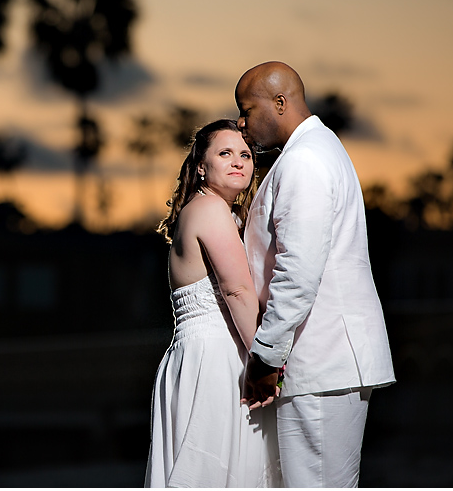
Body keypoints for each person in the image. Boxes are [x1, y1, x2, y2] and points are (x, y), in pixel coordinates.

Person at [235, 61, 396, 487]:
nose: (241, 121)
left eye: (247, 109)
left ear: (281, 103)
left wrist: (266, 355)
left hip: (322, 359)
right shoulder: (320, 148)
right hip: (327, 359)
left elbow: (298, 268)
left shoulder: (304, 161)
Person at [146, 119, 281, 488]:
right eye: (225, 153)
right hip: (214, 360)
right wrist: (267, 360)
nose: (238, 161)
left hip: (199, 355)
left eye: (246, 154)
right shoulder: (210, 210)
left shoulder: (207, 209)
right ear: (202, 166)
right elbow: (237, 291)